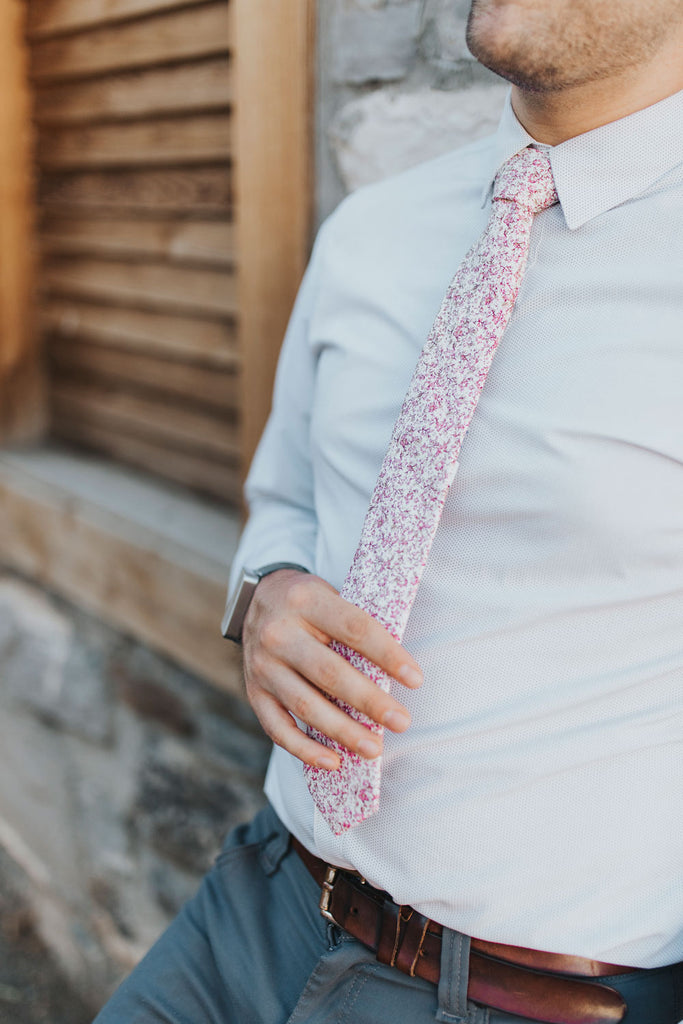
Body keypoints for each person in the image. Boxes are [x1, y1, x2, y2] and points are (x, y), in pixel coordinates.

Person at [93, 1, 683, 1022]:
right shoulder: (372, 226)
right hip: (251, 904)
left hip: (515, 995)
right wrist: (265, 592)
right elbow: (284, 496)